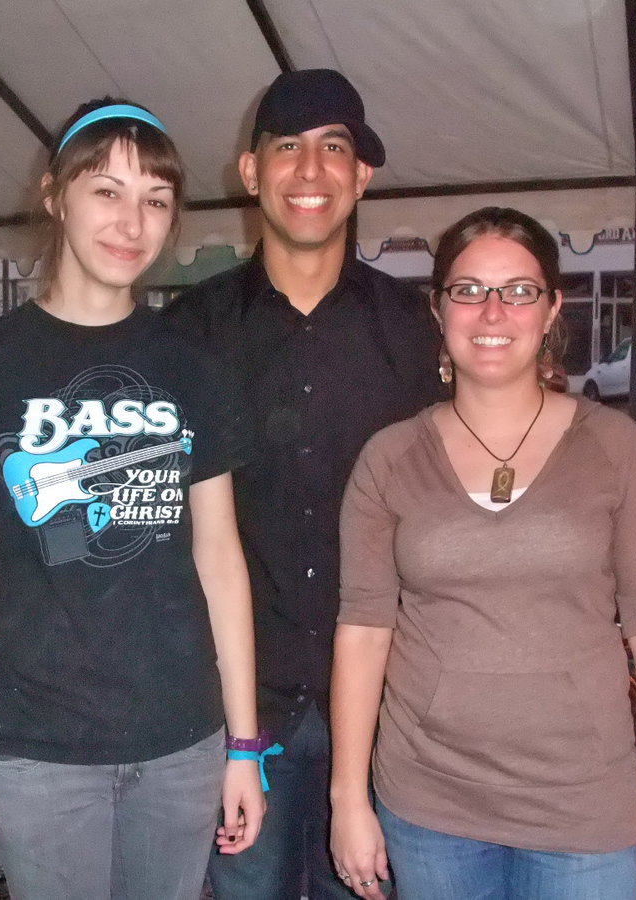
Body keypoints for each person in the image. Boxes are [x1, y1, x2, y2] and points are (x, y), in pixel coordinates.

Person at [0, 98, 264, 900]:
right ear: (55, 194)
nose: (132, 222)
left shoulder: (195, 365)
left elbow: (221, 560)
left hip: (182, 743)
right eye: (106, 190)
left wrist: (244, 745)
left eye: (156, 200)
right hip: (37, 749)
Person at [329, 206, 636, 900]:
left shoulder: (615, 449)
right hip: (429, 805)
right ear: (439, 312)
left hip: (584, 806)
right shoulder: (390, 459)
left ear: (552, 306)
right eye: (468, 290)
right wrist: (348, 801)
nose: (492, 311)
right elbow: (363, 632)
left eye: (519, 290)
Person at [163, 69, 442, 899]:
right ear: (250, 173)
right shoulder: (189, 335)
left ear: (362, 177)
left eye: (334, 149)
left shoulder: (418, 328)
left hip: (392, 711)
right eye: (287, 147)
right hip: (241, 714)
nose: (310, 171)